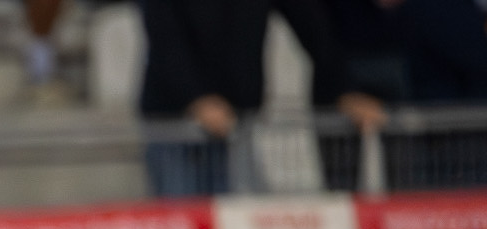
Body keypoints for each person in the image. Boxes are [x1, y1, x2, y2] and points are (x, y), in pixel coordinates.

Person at [138, 0, 386, 197]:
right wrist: (197, 98)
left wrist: (345, 89)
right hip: (175, 125)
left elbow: (312, 24)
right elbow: (163, 34)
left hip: (238, 121)